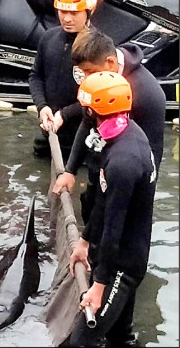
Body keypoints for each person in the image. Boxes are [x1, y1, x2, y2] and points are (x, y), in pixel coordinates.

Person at [65, 72, 156, 348]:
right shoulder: (124, 133)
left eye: (86, 108)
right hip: (120, 251)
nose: (84, 113)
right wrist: (83, 240)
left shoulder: (122, 161)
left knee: (80, 342)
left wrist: (99, 286)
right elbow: (104, 203)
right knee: (120, 337)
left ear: (97, 110)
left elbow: (113, 228)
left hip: (122, 266)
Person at [53, 28, 166, 224]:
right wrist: (70, 170)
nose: (87, 80)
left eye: (91, 72)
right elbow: (86, 122)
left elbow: (153, 155)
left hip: (124, 181)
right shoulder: (97, 82)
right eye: (84, 74)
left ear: (111, 63)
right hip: (98, 168)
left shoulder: (149, 94)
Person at [28, 0, 98, 160]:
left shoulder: (99, 47)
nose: (67, 18)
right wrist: (42, 106)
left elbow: (99, 98)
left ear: (89, 11)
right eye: (62, 11)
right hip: (49, 130)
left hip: (82, 137)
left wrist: (65, 115)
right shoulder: (48, 38)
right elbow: (36, 75)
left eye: (74, 13)